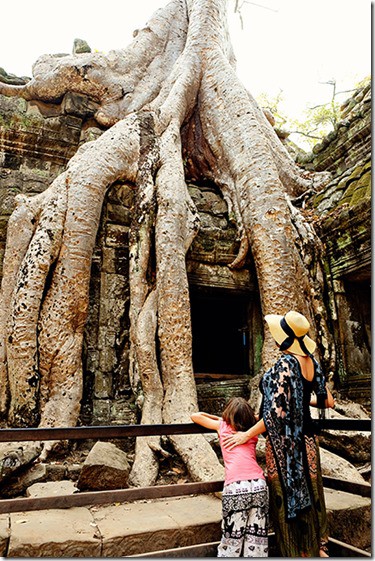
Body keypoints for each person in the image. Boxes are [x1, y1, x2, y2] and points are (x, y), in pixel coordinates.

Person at [222, 310, 335, 558]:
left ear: (283, 339)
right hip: (308, 442)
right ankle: (317, 548)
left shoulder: (285, 364)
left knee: (286, 498)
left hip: (285, 444)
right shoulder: (311, 362)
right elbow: (329, 401)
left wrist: (244, 435)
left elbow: (274, 413)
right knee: (312, 492)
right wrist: (302, 400)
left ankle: (297, 553)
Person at [191, 397, 269, 558]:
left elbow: (196, 416)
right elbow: (264, 418)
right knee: (257, 538)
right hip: (259, 484)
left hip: (236, 487)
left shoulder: (223, 427)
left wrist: (221, 419)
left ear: (228, 414)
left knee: (232, 537)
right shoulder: (252, 430)